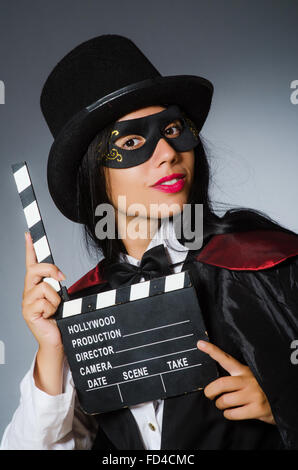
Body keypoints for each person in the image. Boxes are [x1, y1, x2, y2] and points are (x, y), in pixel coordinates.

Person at [1, 34, 298, 451]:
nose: (167, 152)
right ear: (93, 174)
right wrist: (52, 351)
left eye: (173, 129)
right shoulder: (83, 307)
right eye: (132, 142)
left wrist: (283, 404)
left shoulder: (266, 263)